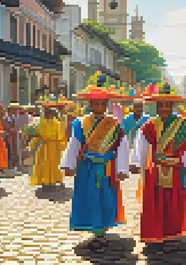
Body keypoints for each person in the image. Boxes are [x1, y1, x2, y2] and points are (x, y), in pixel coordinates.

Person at [60, 74, 128, 244]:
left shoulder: (115, 124)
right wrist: (69, 164)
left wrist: (121, 169)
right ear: (90, 104)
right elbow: (74, 144)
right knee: (89, 196)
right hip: (87, 167)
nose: (99, 106)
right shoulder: (80, 123)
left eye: (102, 103)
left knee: (105, 197)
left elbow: (121, 146)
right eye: (95, 103)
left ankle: (103, 226)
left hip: (107, 167)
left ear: (107, 105)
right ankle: (93, 225)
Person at [131, 83, 186, 243]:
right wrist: (137, 162)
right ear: (157, 106)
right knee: (156, 202)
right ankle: (156, 230)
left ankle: (173, 230)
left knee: (174, 202)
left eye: (168, 105)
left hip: (176, 169)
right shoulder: (149, 126)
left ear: (172, 106)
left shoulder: (182, 125)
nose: (164, 108)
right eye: (161, 105)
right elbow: (141, 145)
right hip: (155, 170)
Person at [31, 96, 70, 190]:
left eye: (47, 111)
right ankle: (45, 181)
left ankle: (53, 181)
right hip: (45, 146)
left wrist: (63, 145)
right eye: (44, 111)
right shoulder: (41, 122)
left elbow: (60, 135)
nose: (45, 113)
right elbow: (38, 134)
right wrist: (32, 144)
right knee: (44, 164)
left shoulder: (57, 122)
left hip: (54, 146)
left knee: (53, 164)